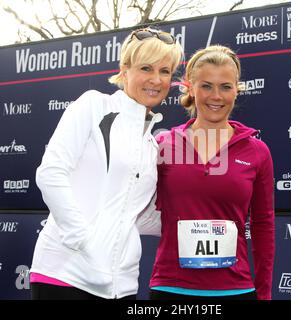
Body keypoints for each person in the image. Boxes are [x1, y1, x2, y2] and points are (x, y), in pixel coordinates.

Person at [29, 27, 183, 300]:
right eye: (146, 68)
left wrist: (198, 214)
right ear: (125, 70)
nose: (156, 80)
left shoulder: (150, 143)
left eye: (165, 71)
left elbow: (136, 215)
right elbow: (51, 174)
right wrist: (84, 243)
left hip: (121, 286)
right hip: (65, 275)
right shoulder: (93, 106)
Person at [149, 45, 275, 300]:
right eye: (206, 86)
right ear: (190, 88)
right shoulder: (163, 144)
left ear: (236, 90)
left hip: (236, 289)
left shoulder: (257, 151)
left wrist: (263, 294)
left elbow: (263, 226)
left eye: (225, 87)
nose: (215, 96)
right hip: (171, 289)